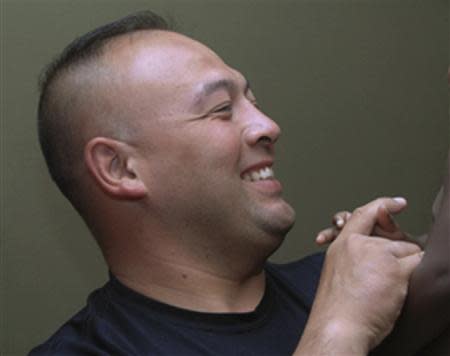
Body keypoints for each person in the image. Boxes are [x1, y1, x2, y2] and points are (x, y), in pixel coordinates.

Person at [30, 11, 433, 355]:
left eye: (253, 103)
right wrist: (338, 333)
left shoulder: (346, 285)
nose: (268, 127)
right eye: (221, 110)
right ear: (120, 168)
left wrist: (415, 275)